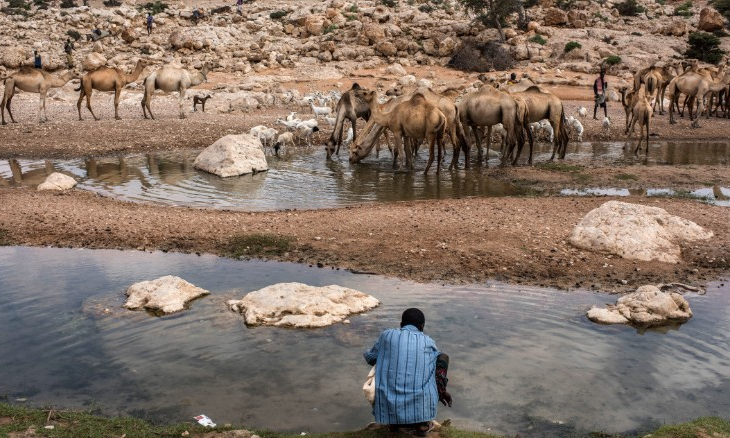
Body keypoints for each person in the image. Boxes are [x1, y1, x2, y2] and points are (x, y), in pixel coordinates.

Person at [364, 308, 451, 436]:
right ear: (422, 326)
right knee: (440, 358)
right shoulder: (428, 341)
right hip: (421, 407)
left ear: (401, 324)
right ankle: (422, 423)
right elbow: (441, 359)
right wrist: (441, 388)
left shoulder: (386, 335)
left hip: (389, 404)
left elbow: (370, 358)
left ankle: (393, 421)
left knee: (382, 363)